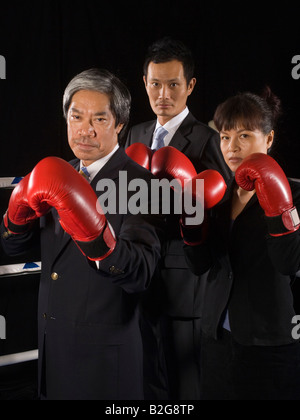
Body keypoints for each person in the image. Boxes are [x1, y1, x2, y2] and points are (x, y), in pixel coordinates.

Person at [0, 68, 163, 400]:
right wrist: (14, 222)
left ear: (119, 125)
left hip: (103, 360)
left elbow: (141, 275)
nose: (85, 130)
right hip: (53, 348)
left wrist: (98, 242)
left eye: (99, 120)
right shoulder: (57, 174)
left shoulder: (143, 184)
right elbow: (17, 249)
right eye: (77, 117)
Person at [126, 37, 231, 400]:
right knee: (148, 382)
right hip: (138, 273)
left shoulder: (207, 140)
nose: (163, 94)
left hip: (184, 281)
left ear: (190, 86)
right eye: (155, 84)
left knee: (185, 387)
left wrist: (178, 207)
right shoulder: (135, 134)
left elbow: (219, 210)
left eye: (173, 84)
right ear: (144, 83)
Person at [182, 87, 300, 400]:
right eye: (224, 136)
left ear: (269, 139)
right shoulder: (216, 194)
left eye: (244, 135)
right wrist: (191, 222)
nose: (232, 147)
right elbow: (199, 265)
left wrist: (279, 204)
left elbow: (289, 263)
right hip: (217, 335)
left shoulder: (296, 193)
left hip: (270, 339)